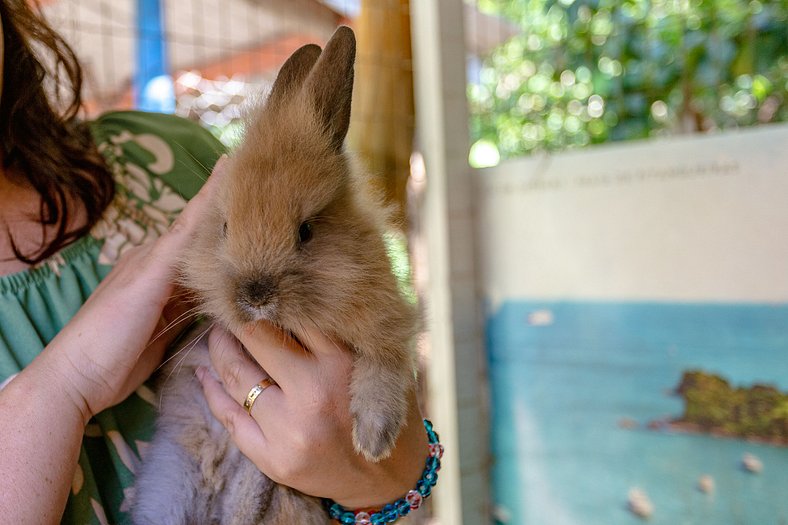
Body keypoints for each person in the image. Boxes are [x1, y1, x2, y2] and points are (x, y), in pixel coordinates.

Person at [0, 1, 430, 523]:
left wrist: (383, 476)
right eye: (225, 233)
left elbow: (394, 448)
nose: (256, 293)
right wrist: (66, 383)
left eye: (304, 233)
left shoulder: (173, 156)